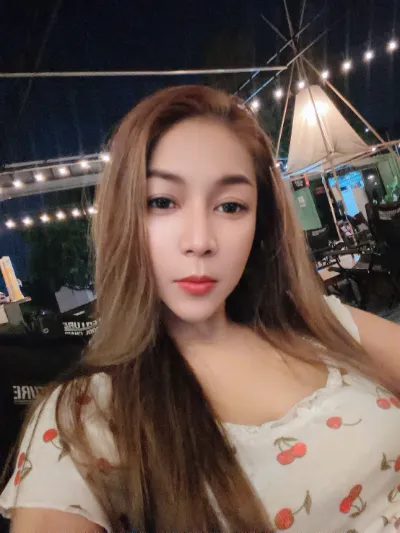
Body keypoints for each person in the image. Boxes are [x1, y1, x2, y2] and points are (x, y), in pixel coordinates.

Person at [1, 85, 400, 533]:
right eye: (162, 202)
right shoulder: (87, 417)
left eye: (230, 206)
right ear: (124, 219)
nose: (199, 241)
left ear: (261, 223)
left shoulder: (319, 323)